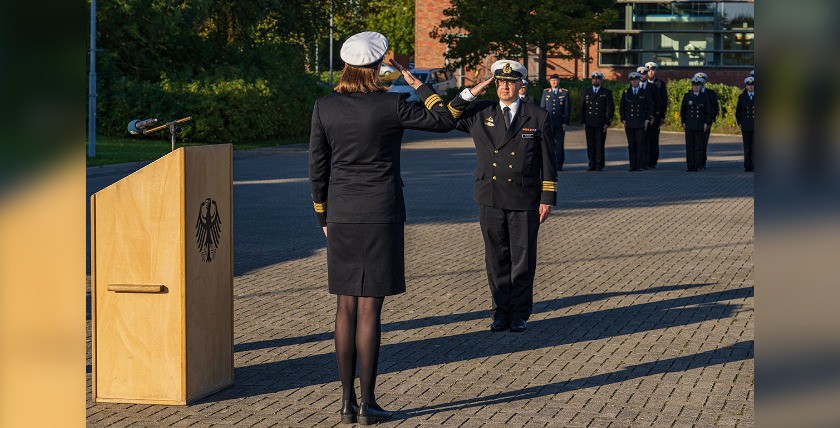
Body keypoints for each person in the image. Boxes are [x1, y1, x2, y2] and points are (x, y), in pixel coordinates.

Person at [308, 31, 456, 425]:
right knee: (370, 306)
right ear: (377, 67)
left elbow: (317, 168)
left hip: (341, 214)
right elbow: (444, 119)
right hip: (381, 212)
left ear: (346, 66)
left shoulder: (324, 107)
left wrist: (323, 216)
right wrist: (415, 82)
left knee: (345, 305)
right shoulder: (391, 105)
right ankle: (369, 403)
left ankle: (344, 402)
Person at [446, 60, 557, 333]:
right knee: (496, 258)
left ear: (521, 85)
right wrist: (471, 92)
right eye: (499, 82)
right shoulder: (481, 112)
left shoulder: (537, 115)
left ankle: (519, 313)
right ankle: (499, 312)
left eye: (510, 82)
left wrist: (547, 197)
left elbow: (548, 161)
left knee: (522, 258)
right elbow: (449, 114)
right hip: (490, 196)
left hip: (524, 197)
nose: (505, 87)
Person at [580, 71, 615, 171]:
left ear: (601, 80)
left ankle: (599, 164)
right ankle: (592, 164)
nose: (596, 80)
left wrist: (607, 122)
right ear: (592, 80)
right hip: (589, 121)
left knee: (599, 144)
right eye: (594, 78)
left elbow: (610, 109)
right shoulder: (587, 91)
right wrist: (582, 120)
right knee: (590, 144)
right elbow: (582, 106)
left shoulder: (606, 92)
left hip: (601, 122)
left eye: (598, 78)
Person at [620, 72, 653, 171]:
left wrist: (647, 119)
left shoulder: (644, 92)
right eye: (632, 80)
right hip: (629, 122)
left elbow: (650, 107)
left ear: (639, 80)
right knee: (631, 145)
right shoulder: (626, 92)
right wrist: (623, 119)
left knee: (640, 144)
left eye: (636, 80)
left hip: (640, 122)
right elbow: (622, 107)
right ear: (630, 81)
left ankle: (639, 165)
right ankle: (632, 165)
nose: (634, 82)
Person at [680, 76, 712, 172]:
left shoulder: (704, 97)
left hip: (699, 124)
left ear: (701, 86)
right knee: (689, 146)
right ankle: (690, 166)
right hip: (689, 124)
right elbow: (683, 110)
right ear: (692, 86)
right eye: (694, 85)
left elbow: (708, 111)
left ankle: (697, 165)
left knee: (698, 146)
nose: (696, 87)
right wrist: (683, 122)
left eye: (697, 85)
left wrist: (706, 122)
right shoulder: (687, 96)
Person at [540, 74, 571, 171]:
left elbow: (567, 109)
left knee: (559, 145)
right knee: (548, 145)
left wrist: (566, 122)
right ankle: (549, 165)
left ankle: (559, 165)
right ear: (549, 82)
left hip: (560, 123)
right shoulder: (545, 92)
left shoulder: (564, 93)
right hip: (548, 123)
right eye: (552, 80)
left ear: (559, 81)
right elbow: (542, 108)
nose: (554, 82)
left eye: (556, 80)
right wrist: (542, 122)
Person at [637, 65, 661, 170]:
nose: (642, 75)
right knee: (638, 141)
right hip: (637, 118)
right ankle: (638, 162)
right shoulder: (634, 86)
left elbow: (658, 102)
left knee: (648, 141)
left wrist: (653, 116)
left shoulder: (653, 87)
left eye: (644, 73)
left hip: (649, 118)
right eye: (641, 74)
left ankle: (646, 162)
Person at [645, 62, 668, 168]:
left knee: (654, 139)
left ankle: (653, 161)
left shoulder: (660, 84)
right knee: (644, 139)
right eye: (649, 70)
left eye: (653, 70)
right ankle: (644, 160)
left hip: (656, 115)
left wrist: (662, 115)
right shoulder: (641, 82)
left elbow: (663, 100)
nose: (651, 72)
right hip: (645, 116)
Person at [694, 72, 719, 169]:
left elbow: (715, 107)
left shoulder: (710, 93)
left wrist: (711, 120)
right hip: (695, 121)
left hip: (706, 121)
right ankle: (696, 161)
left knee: (704, 141)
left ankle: (702, 161)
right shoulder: (692, 92)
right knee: (695, 142)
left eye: (702, 80)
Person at [736, 76, 755, 172]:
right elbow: (738, 111)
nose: (750, 87)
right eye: (749, 85)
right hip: (746, 124)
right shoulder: (742, 97)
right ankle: (747, 165)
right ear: (746, 86)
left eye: (752, 85)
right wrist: (739, 122)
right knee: (747, 147)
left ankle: (754, 165)